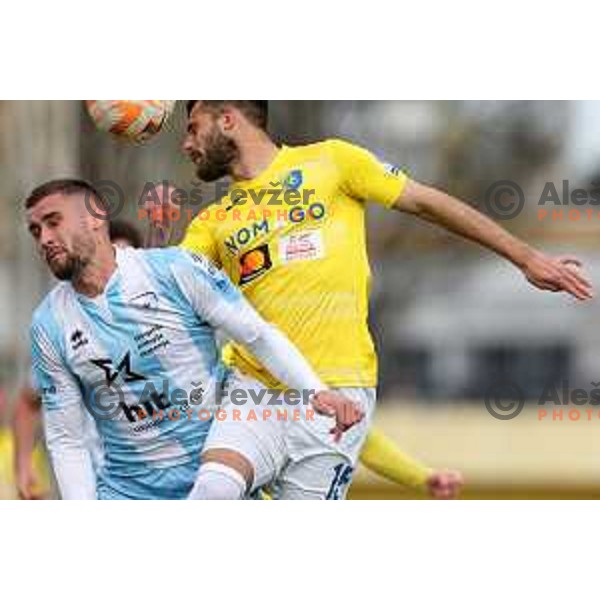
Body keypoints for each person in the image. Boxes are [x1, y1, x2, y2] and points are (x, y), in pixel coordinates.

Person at [146, 100, 591, 500]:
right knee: (212, 490)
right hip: (255, 391)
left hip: (342, 390)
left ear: (227, 120)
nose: (187, 144)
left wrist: (526, 257)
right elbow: (162, 298)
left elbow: (426, 202)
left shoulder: (333, 161)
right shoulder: (213, 221)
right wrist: (158, 234)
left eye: (192, 127)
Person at [27, 180, 361, 499]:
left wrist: (315, 390)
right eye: (36, 231)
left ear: (96, 217)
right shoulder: (48, 323)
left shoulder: (175, 269)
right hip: (128, 491)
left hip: (217, 471)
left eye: (53, 222)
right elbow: (65, 438)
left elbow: (256, 335)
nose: (44, 239)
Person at [13, 219, 144, 500]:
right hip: (91, 482)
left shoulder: (161, 326)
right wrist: (24, 464)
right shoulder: (61, 330)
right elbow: (28, 401)